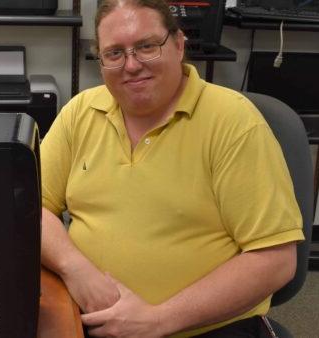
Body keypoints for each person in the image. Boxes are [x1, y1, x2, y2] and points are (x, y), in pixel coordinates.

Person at [39, 0, 304, 336]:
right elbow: (32, 207)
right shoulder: (81, 112)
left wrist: (158, 320)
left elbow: (276, 260)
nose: (131, 65)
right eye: (115, 53)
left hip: (203, 328)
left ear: (179, 45)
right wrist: (75, 268)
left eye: (146, 47)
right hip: (90, 321)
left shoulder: (233, 122)